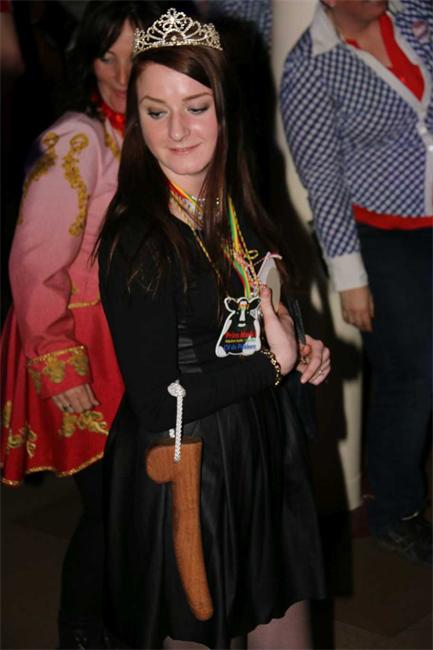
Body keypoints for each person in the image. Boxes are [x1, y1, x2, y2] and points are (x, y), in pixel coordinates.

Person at [98, 7, 331, 649]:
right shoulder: (138, 241)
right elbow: (155, 404)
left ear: (224, 110)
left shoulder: (231, 205)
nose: (177, 130)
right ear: (136, 118)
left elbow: (248, 312)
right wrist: (271, 366)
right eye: (156, 111)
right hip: (184, 468)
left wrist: (297, 345)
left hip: (255, 448)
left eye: (196, 106)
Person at [0, 2, 161, 647]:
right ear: (85, 60)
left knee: (132, 501)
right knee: (109, 506)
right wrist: (58, 359)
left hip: (132, 337)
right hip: (78, 339)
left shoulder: (154, 128)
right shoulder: (78, 138)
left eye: (135, 57)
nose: (120, 76)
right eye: (106, 56)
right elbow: (34, 262)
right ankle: (83, 630)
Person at [280, 0, 432, 565]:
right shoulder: (310, 66)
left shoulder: (416, 15)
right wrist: (350, 279)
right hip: (379, 235)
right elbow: (322, 179)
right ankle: (396, 510)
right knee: (412, 373)